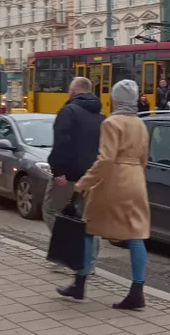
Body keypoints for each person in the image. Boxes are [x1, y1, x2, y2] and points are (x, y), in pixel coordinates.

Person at [58, 79, 150, 310]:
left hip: (114, 181)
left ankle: (79, 283)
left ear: (115, 99)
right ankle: (137, 291)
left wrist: (83, 182)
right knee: (136, 233)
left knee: (89, 228)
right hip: (136, 180)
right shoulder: (140, 124)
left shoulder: (111, 123)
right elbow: (144, 160)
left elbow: (106, 159)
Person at [44, 77, 104, 273]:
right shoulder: (101, 116)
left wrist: (58, 171)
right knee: (88, 218)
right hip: (91, 176)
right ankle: (90, 262)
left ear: (72, 92)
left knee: (52, 210)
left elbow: (62, 142)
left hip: (68, 175)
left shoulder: (68, 111)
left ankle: (70, 255)